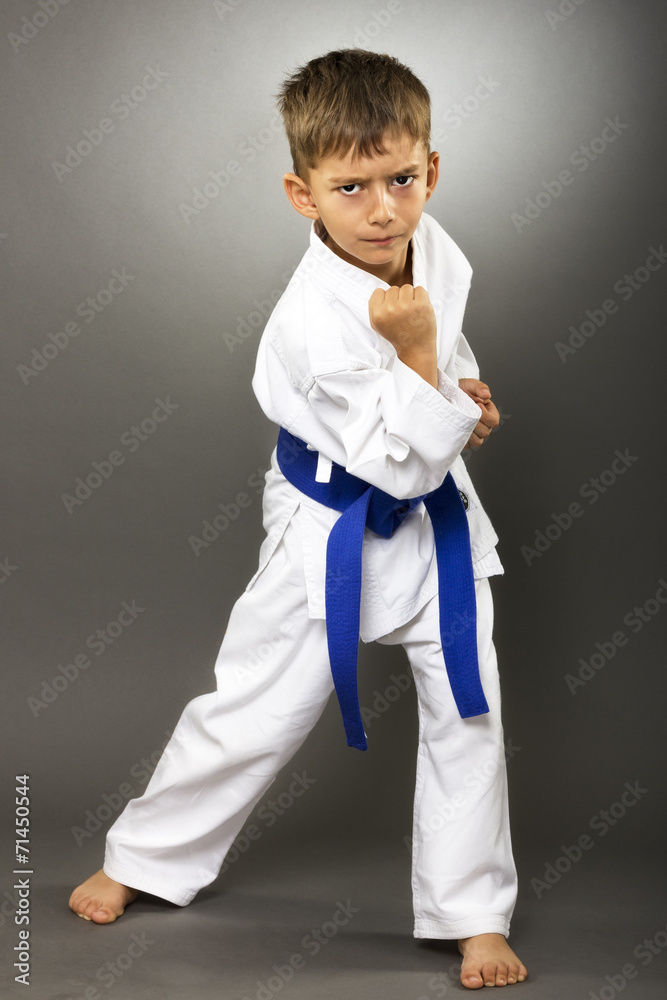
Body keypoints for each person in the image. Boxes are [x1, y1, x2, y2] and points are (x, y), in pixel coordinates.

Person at [69, 48, 528, 990]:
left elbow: (442, 385)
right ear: (301, 193)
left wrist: (463, 389)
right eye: (349, 186)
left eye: (401, 179)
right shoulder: (305, 326)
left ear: (429, 170)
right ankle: (143, 858)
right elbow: (391, 458)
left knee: (468, 714)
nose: (381, 209)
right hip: (333, 528)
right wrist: (417, 358)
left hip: (439, 530)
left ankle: (472, 911)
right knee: (252, 709)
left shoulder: (433, 248)